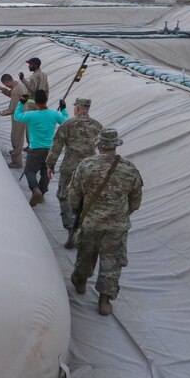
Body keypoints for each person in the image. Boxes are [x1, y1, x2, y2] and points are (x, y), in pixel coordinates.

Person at [68, 128, 144, 316]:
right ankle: (104, 299)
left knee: (86, 254)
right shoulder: (129, 168)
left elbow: (74, 194)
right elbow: (135, 200)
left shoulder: (86, 165)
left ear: (99, 145)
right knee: (112, 262)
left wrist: (78, 212)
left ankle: (81, 281)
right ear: (115, 146)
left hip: (91, 222)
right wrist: (121, 214)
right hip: (117, 226)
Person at [46, 97, 103, 249]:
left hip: (71, 168)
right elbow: (103, 149)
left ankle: (71, 226)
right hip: (90, 169)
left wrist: (50, 164)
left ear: (77, 108)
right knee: (86, 198)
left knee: (63, 194)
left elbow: (56, 146)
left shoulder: (68, 124)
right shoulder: (98, 126)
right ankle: (82, 228)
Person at [13, 88, 68, 206]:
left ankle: (35, 189)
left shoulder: (31, 115)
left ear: (35, 101)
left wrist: (21, 103)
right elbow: (65, 122)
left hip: (35, 149)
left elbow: (17, 116)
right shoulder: (54, 114)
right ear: (47, 100)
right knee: (46, 173)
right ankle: (42, 194)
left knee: (29, 171)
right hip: (50, 149)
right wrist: (63, 109)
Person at [0, 73, 29, 168]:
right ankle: (16, 153)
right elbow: (12, 94)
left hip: (19, 116)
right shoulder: (19, 85)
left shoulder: (16, 90)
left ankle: (17, 162)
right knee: (19, 137)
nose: (6, 86)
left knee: (16, 138)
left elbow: (12, 108)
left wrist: (3, 113)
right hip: (24, 114)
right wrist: (2, 89)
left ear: (8, 81)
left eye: (5, 84)